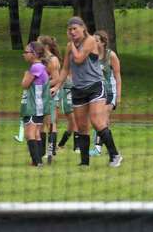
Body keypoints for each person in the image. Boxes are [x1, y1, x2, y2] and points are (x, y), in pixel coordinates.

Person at [60, 17, 122, 167]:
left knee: (96, 121)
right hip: (78, 89)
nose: (72, 31)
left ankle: (115, 155)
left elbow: (79, 58)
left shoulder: (90, 41)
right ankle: (84, 162)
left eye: (75, 28)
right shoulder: (71, 46)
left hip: (95, 86)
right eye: (70, 29)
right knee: (81, 126)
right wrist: (56, 85)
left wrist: (71, 46)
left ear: (83, 28)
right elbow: (65, 69)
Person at [91, 30, 122, 156]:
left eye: (96, 40)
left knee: (101, 119)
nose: (93, 42)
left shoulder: (111, 55)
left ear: (103, 43)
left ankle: (98, 148)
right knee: (101, 121)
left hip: (110, 92)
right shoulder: (91, 55)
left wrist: (118, 96)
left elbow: (118, 76)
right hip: (97, 93)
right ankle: (109, 149)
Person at [20, 42, 50, 167]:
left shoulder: (35, 67)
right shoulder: (40, 66)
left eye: (26, 52)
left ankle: (37, 161)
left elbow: (24, 84)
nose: (24, 55)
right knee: (37, 133)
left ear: (35, 54)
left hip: (34, 105)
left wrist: (26, 75)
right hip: (38, 106)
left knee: (29, 134)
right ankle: (37, 161)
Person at [38, 34, 62, 163]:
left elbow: (57, 79)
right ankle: (41, 152)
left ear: (45, 46)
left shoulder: (53, 60)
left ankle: (50, 151)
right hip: (41, 94)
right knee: (41, 123)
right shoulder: (41, 59)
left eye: (38, 43)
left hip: (51, 94)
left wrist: (43, 86)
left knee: (51, 123)